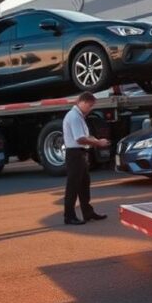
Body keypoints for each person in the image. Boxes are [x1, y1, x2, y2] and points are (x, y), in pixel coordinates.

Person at [62, 92, 110, 225]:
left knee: (84, 184)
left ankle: (87, 212)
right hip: (75, 154)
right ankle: (69, 216)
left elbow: (84, 136)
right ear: (82, 102)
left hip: (79, 153)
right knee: (73, 186)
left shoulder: (78, 116)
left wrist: (95, 139)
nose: (90, 109)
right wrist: (98, 143)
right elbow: (80, 139)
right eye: (90, 105)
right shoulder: (74, 117)